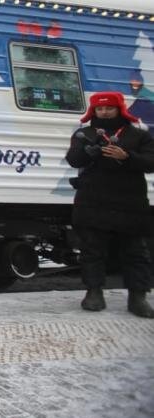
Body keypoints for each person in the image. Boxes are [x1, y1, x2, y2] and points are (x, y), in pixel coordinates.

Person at [65, 91, 154, 318]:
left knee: (136, 252)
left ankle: (138, 296)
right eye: (99, 109)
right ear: (93, 111)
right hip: (93, 200)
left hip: (129, 201)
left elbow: (151, 162)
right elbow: (73, 159)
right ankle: (94, 292)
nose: (104, 112)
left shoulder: (138, 135)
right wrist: (89, 152)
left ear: (119, 109)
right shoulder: (85, 133)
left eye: (109, 108)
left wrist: (127, 157)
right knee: (92, 250)